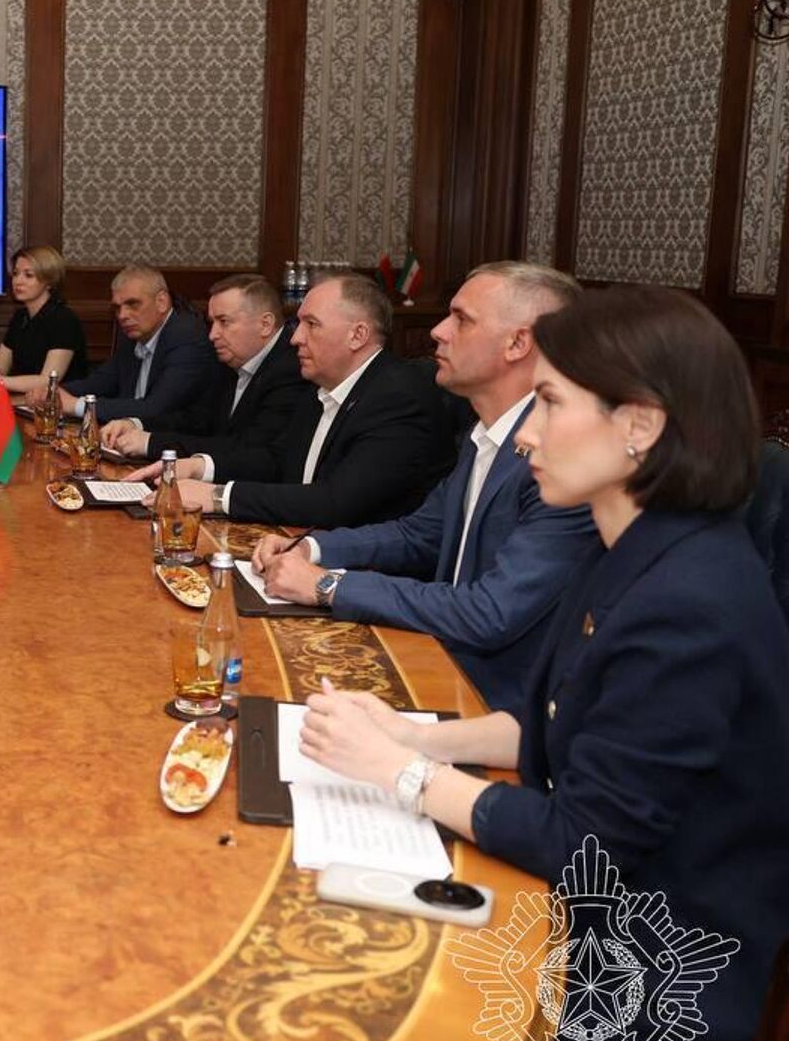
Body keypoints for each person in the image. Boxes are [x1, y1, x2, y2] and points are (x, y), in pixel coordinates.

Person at [299, 284, 789, 1041]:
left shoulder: (690, 601)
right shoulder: (631, 542)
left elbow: (582, 844)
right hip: (586, 920)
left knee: (342, 1021)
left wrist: (402, 772)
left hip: (648, 988)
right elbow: (554, 719)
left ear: (640, 426)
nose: (525, 434)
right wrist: (411, 732)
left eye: (552, 403)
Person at [250, 263, 599, 714]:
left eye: (462, 319)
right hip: (441, 664)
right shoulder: (483, 433)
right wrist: (312, 548)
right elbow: (419, 534)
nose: (437, 331)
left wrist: (328, 584)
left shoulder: (560, 459)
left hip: (499, 710)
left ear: (518, 343)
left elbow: (490, 612)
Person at [135, 271, 455, 528]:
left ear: (358, 335)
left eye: (311, 324)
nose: (296, 337)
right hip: (295, 544)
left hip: (363, 572)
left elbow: (335, 502)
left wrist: (218, 496)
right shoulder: (320, 386)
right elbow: (276, 461)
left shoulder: (398, 396)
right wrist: (199, 467)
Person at [103, 273, 310, 461]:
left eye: (224, 322)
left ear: (265, 324)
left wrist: (151, 443)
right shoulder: (230, 362)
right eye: (212, 323)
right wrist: (135, 424)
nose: (212, 335)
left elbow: (247, 449)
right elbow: (197, 420)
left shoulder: (292, 371)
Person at [55, 264, 215, 426]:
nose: (122, 315)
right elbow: (99, 382)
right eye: (117, 308)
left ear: (161, 302)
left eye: (133, 304)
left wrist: (76, 406)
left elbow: (156, 408)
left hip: (171, 438)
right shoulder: (132, 338)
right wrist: (54, 392)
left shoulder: (188, 339)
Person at [0, 245, 86, 397]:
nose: (18, 281)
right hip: (25, 400)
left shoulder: (64, 319)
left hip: (59, 404)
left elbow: (47, 381)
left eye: (28, 275)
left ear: (49, 281)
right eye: (15, 273)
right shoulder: (20, 317)